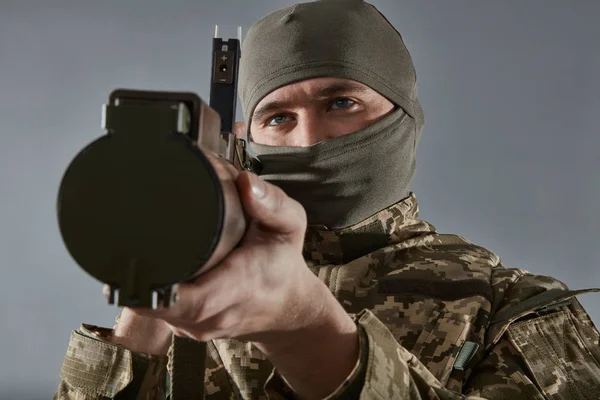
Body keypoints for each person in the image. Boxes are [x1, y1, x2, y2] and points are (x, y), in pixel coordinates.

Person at [54, 1, 600, 399]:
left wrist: (305, 325)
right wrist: (151, 297)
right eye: (279, 117)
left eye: (341, 101)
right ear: (246, 139)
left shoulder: (514, 309)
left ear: (406, 118)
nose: (309, 139)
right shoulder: (196, 302)